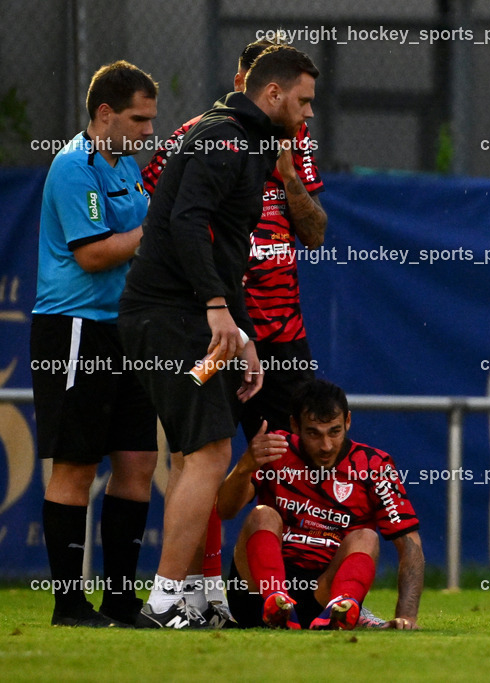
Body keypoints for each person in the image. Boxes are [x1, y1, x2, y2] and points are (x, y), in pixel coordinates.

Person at [118, 45, 319, 629]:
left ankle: (196, 596)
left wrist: (245, 333)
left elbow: (229, 251)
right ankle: (164, 602)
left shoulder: (253, 143)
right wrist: (214, 307)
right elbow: (184, 220)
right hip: (173, 318)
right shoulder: (221, 136)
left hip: (200, 320)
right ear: (273, 93)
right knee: (207, 453)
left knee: (200, 454)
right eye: (303, 101)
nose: (308, 115)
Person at [31, 60, 159, 627]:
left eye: (152, 120)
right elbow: (95, 253)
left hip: (126, 327)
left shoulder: (126, 163)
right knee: (76, 464)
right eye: (139, 118)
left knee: (138, 459)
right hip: (76, 328)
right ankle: (68, 604)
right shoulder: (72, 166)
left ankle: (121, 600)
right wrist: (156, 231)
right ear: (104, 114)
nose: (148, 131)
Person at [217, 379, 424, 630]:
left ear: (347, 421)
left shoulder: (374, 467)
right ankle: (277, 600)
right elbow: (225, 510)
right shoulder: (276, 449)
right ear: (295, 425)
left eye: (334, 432)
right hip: (256, 597)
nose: (326, 446)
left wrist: (407, 616)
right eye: (314, 433)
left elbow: (410, 545)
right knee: (262, 515)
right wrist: (244, 466)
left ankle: (341, 607)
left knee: (367, 537)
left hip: (320, 595)